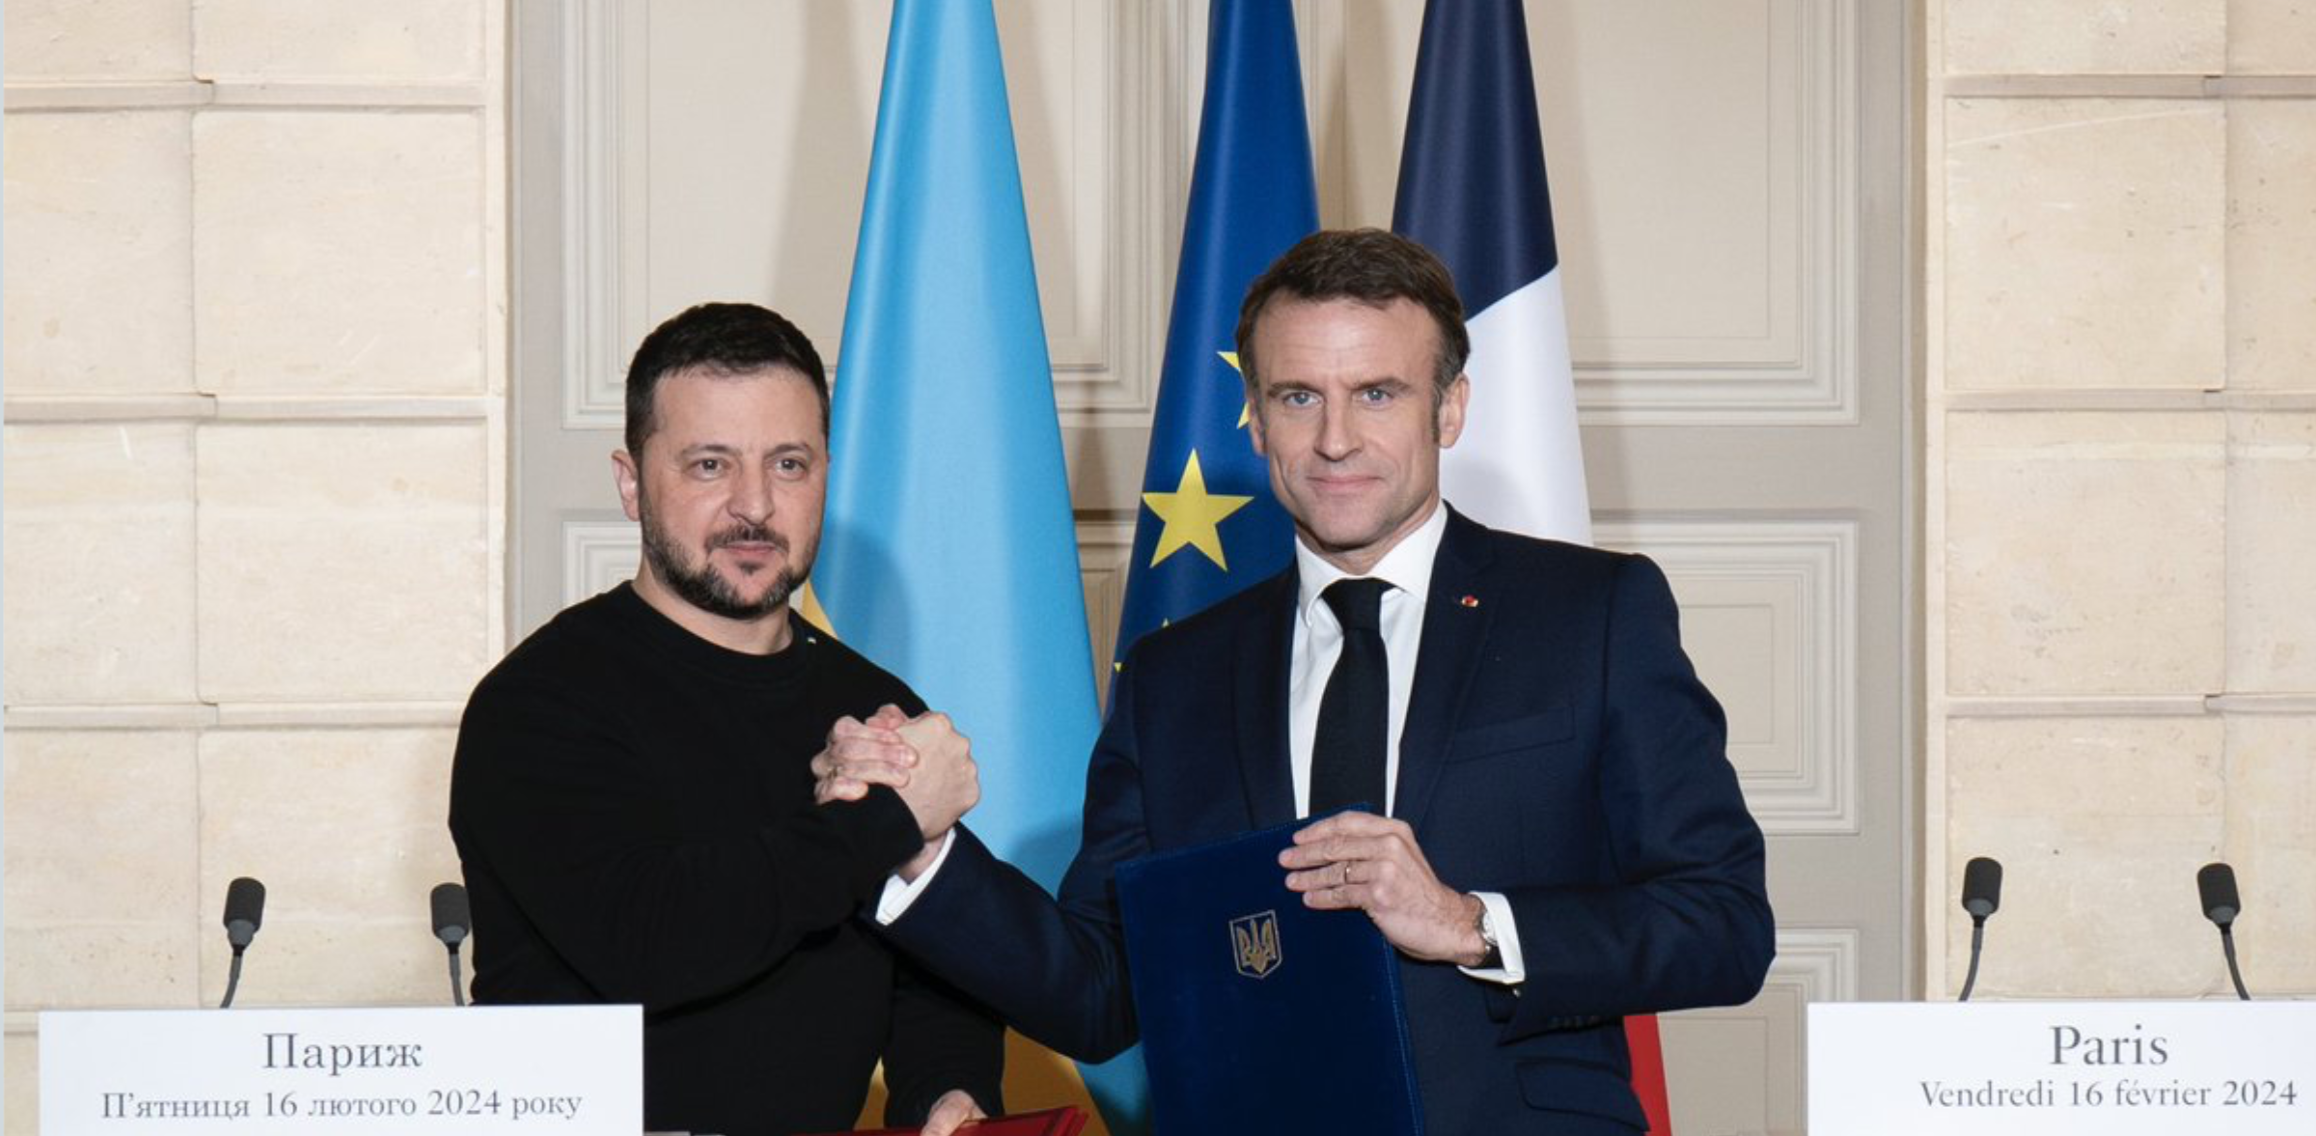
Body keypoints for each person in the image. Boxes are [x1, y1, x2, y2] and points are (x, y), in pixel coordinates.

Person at [819, 230, 1774, 1135]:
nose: (1335, 440)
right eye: (1299, 397)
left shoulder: (1593, 614)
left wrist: (1468, 923)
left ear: (1450, 408)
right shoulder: (1174, 677)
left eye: (1377, 394)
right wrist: (922, 848)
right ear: (1257, 415)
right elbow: (1102, 990)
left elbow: (1725, 924)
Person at [449, 302, 1002, 1136]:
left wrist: (947, 1090)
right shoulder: (536, 705)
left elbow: (932, 970)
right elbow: (653, 943)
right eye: (710, 465)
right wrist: (884, 820)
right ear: (631, 482)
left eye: (789, 464)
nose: (755, 505)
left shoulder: (875, 704)